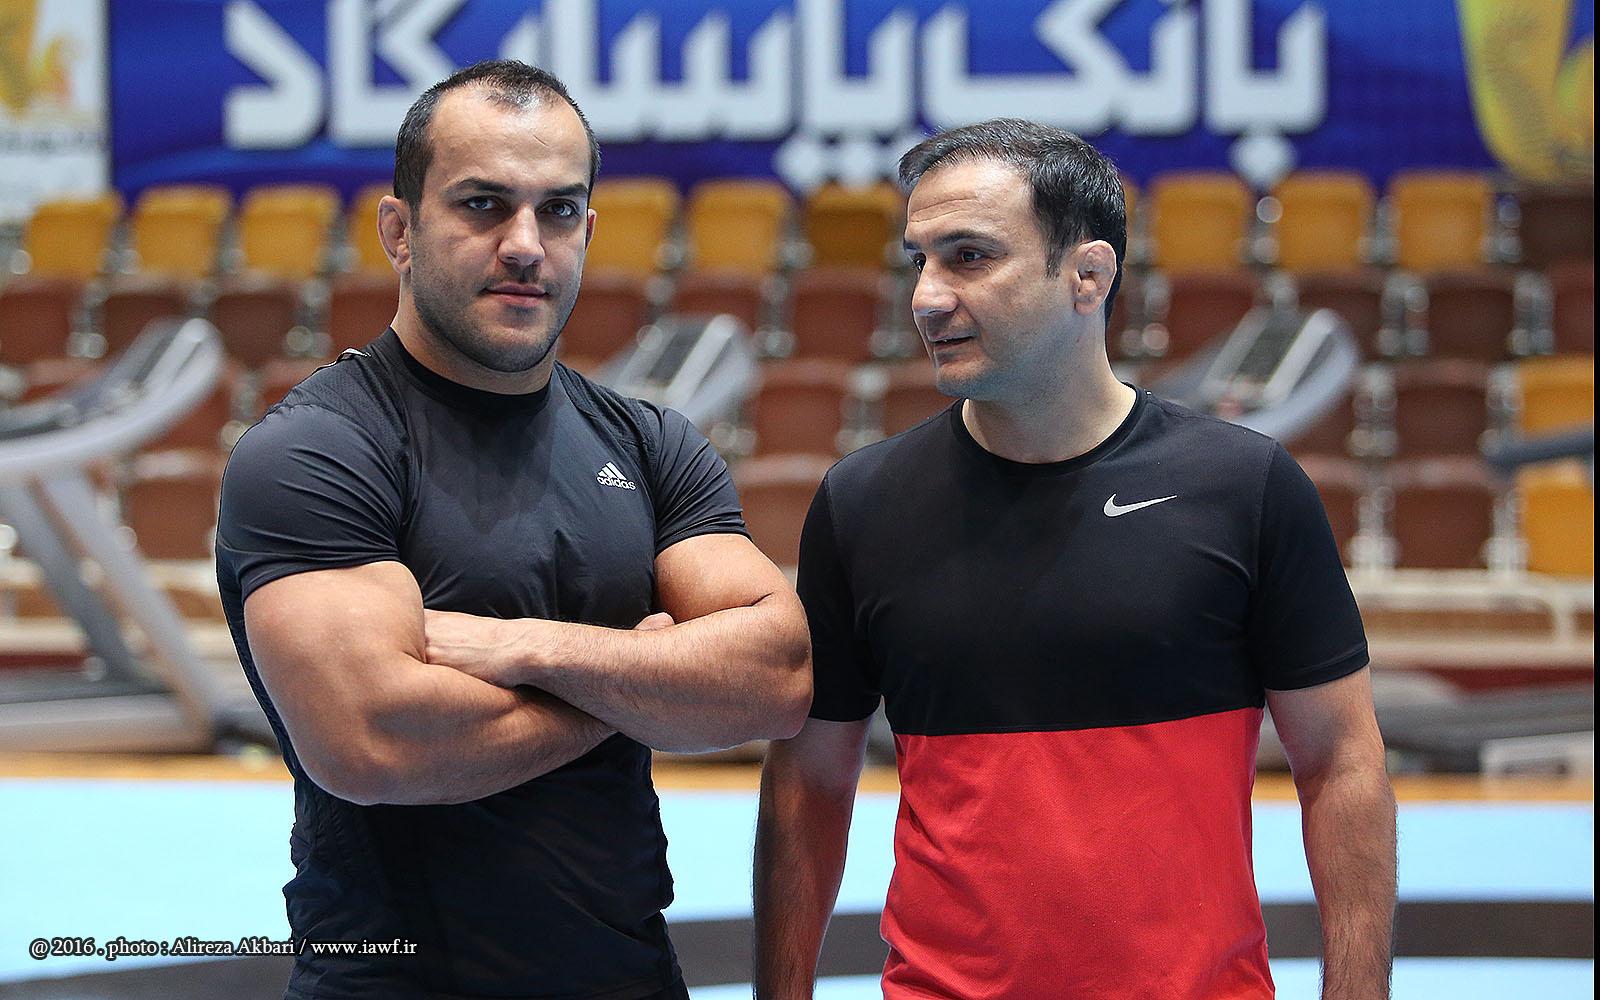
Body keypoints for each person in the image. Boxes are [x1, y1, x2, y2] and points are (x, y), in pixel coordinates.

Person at [753, 119, 1396, 1000]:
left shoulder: (1246, 488)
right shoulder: (862, 504)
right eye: (920, 261)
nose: (927, 298)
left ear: (1088, 275)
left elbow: (1343, 762)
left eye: (970, 258)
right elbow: (809, 780)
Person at [216, 60, 811, 1000]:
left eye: (559, 210)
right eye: (483, 205)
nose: (526, 245)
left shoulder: (649, 443)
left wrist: (527, 648)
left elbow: (778, 677)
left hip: (631, 976)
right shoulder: (318, 451)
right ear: (399, 230)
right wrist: (639, 675)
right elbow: (374, 741)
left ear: (587, 231)